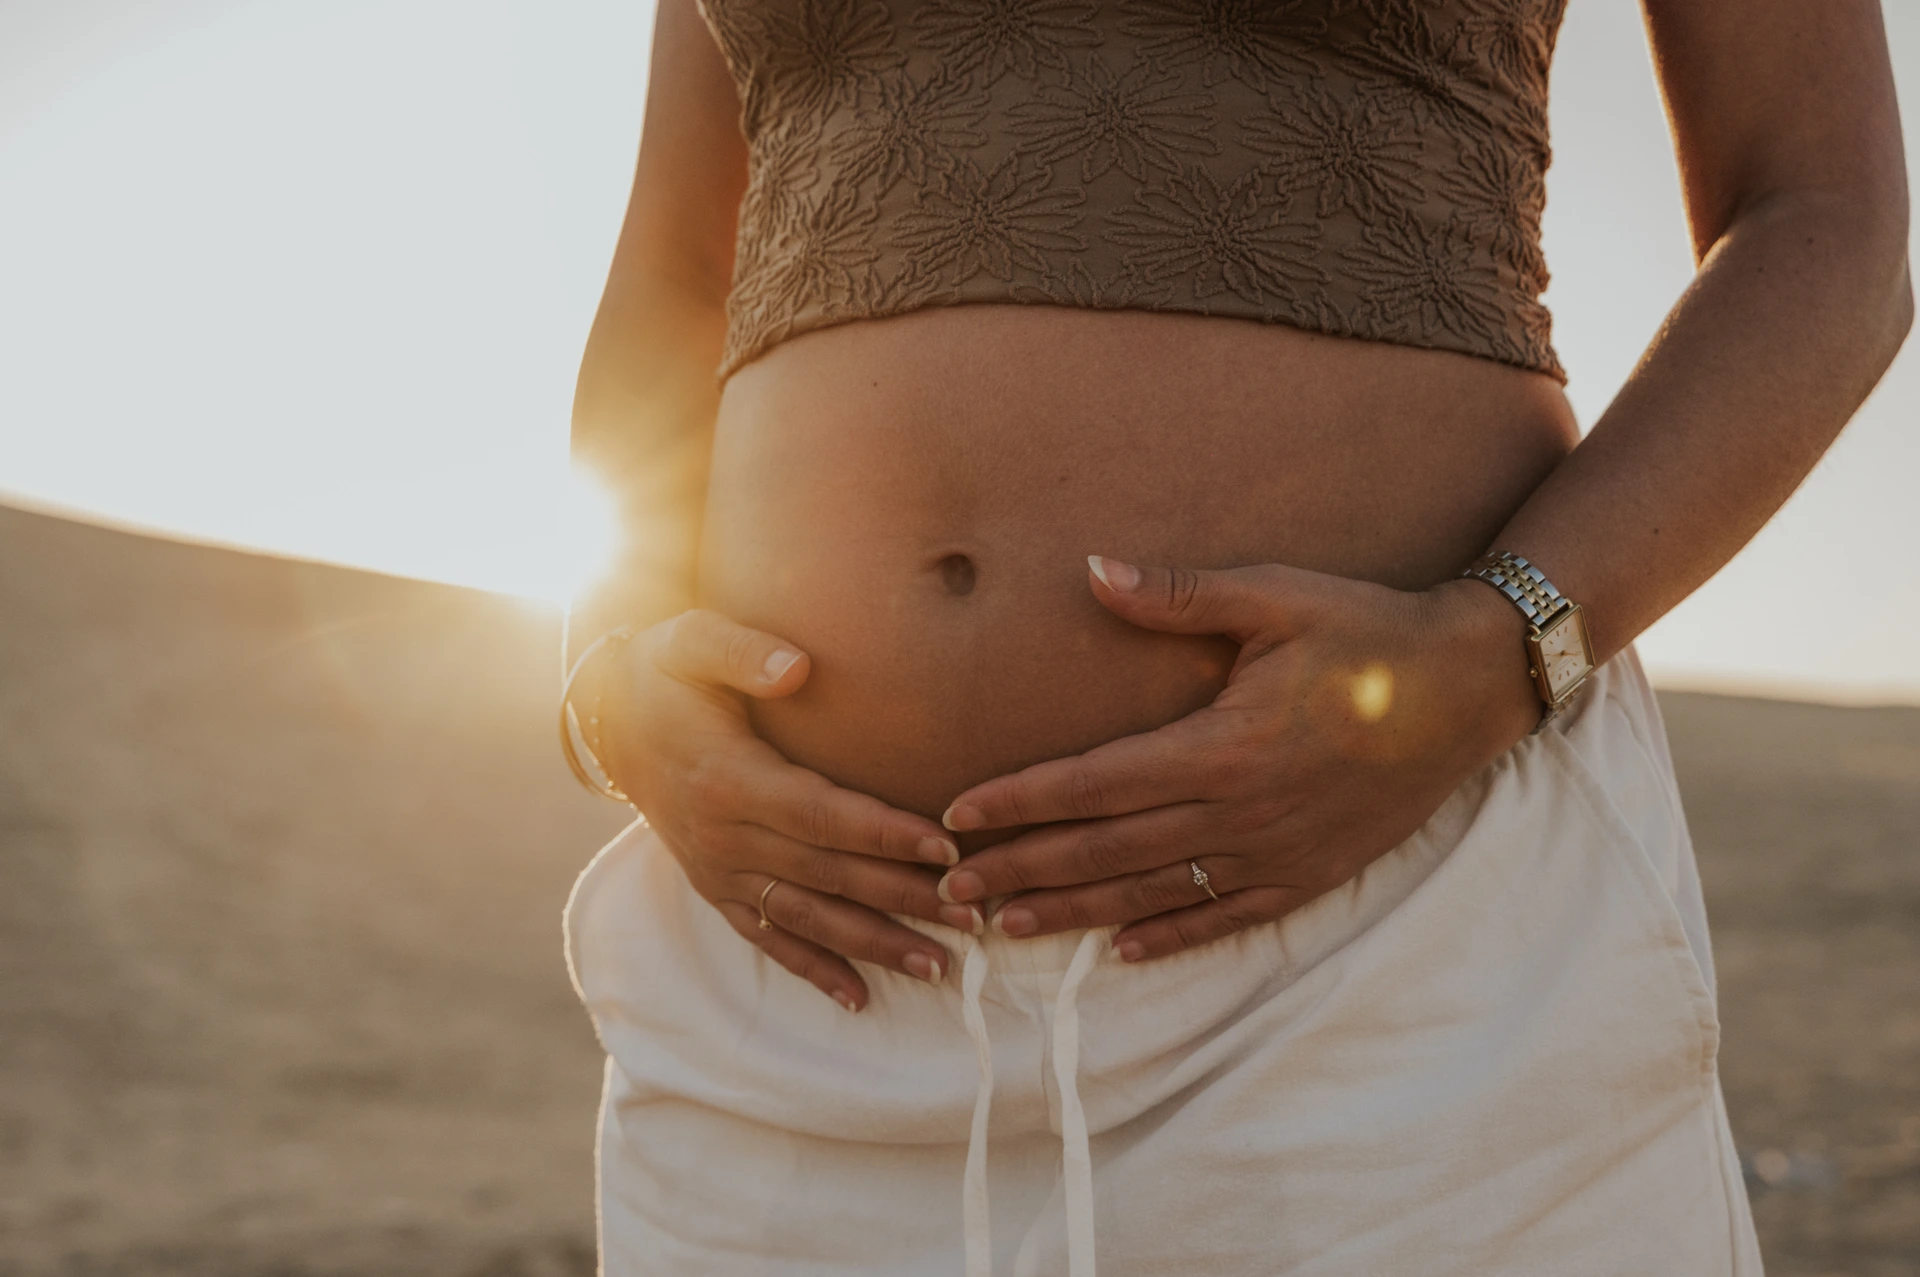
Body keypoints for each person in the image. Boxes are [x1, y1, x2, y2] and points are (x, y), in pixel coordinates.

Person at [560, 1, 1910, 1272]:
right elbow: (679, 273)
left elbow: (1825, 216)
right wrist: (604, 671)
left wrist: (1502, 651)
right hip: (800, 995)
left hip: (1401, 958)